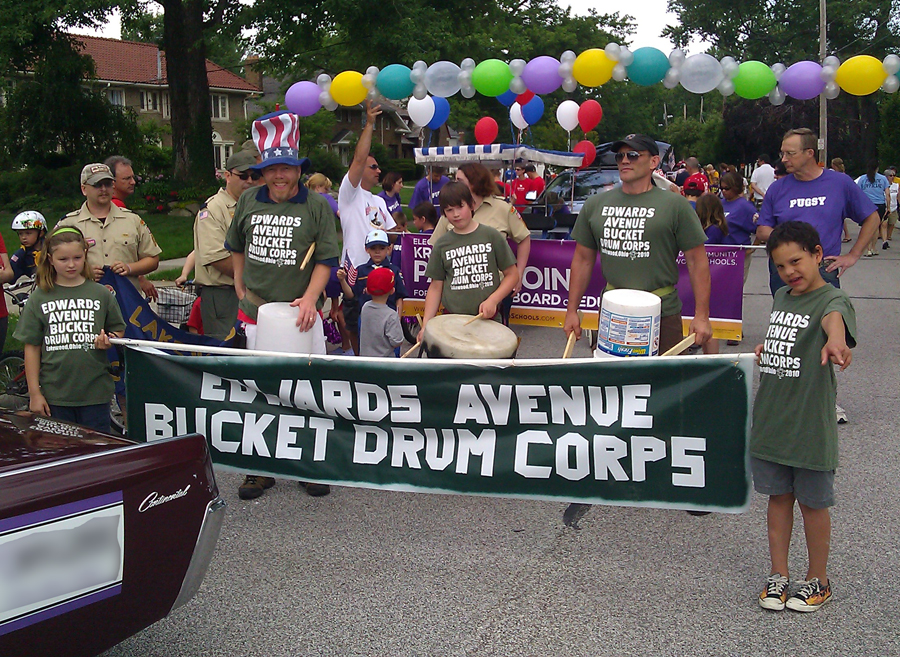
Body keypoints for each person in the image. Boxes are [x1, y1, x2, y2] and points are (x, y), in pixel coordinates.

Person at [225, 109, 341, 500]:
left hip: (301, 317)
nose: (280, 176)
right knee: (257, 392)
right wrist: (240, 285)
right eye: (272, 168)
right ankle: (260, 468)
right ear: (263, 170)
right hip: (256, 312)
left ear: (298, 169)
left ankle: (308, 465)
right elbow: (236, 246)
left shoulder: (317, 206)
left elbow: (326, 259)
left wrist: (310, 298)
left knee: (308, 392)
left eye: (287, 168)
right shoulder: (247, 202)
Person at [751, 221, 856, 613]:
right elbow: (790, 337)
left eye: (796, 261)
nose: (789, 272)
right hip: (772, 421)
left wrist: (835, 340)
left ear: (817, 254)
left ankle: (818, 580)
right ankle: (779, 576)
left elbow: (833, 322)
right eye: (780, 266)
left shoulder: (833, 299)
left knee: (813, 504)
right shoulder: (783, 297)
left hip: (809, 425)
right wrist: (770, 346)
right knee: (778, 499)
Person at [564, 133, 713, 354]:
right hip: (613, 312)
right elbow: (583, 261)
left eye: (633, 155)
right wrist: (571, 310)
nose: (624, 160)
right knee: (613, 384)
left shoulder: (675, 205)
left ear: (654, 161)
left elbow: (697, 262)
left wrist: (702, 316)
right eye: (620, 156)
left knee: (665, 385)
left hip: (662, 310)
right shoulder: (595, 204)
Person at [14, 226, 126, 433]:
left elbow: (118, 330)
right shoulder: (40, 297)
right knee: (61, 454)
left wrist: (109, 339)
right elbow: (31, 346)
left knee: (96, 452)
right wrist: (34, 394)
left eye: (77, 257)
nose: (71, 264)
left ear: (85, 255)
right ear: (50, 259)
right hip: (55, 394)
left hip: (95, 392)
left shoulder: (101, 293)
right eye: (63, 259)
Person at [757, 128, 880, 296]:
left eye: (790, 153)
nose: (784, 159)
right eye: (782, 153)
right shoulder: (777, 188)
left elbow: (872, 218)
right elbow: (763, 230)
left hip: (823, 269)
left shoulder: (839, 183)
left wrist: (853, 255)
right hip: (785, 271)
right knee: (789, 321)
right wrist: (793, 245)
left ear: (809, 153)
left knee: (827, 319)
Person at [430, 162, 531, 325]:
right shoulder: (449, 213)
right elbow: (437, 252)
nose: (456, 214)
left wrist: (518, 274)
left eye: (460, 180)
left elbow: (524, 238)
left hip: (496, 290)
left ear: (475, 181)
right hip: (457, 300)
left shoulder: (503, 208)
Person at [337, 101, 398, 357]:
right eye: (373, 167)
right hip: (356, 276)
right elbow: (360, 157)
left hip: (383, 277)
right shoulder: (349, 195)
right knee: (356, 325)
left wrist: (390, 247)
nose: (378, 170)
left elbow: (392, 232)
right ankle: (359, 361)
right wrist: (370, 123)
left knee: (385, 331)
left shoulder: (380, 201)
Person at [419, 182, 518, 336]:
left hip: (489, 321)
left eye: (460, 207)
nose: (456, 214)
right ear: (444, 214)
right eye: (449, 210)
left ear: (472, 205)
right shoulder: (442, 244)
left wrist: (493, 299)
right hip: (452, 322)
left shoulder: (491, 236)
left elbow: (512, 274)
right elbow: (435, 287)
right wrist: (426, 325)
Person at [57, 163, 162, 294]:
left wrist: (129, 268)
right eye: (97, 185)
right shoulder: (68, 224)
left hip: (126, 302)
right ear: (84, 189)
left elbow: (152, 259)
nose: (103, 189)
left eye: (107, 184)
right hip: (83, 302)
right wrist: (83, 272)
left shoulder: (132, 220)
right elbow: (51, 264)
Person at [192, 150, 257, 340]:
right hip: (223, 294)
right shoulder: (212, 209)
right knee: (225, 351)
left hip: (253, 291)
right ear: (227, 176)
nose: (250, 181)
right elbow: (217, 258)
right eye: (243, 176)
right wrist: (257, 276)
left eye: (255, 176)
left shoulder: (256, 206)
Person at [337, 229, 406, 318]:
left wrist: (398, 318)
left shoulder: (394, 270)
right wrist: (342, 280)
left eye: (381, 248)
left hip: (389, 316)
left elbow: (399, 297)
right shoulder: (361, 270)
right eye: (373, 248)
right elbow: (351, 295)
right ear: (366, 249)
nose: (377, 252)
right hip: (366, 317)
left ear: (388, 249)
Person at [358, 267, 403, 358]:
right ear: (392, 291)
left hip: (365, 361)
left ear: (367, 290)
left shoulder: (365, 307)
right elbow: (397, 341)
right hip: (385, 364)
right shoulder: (391, 315)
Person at [853, 160, 890, 256]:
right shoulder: (883, 179)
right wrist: (888, 207)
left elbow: (858, 193)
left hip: (867, 204)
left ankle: (868, 249)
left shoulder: (863, 178)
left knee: (867, 226)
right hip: (880, 205)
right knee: (876, 226)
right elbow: (887, 194)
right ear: (877, 168)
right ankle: (873, 247)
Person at [7, 211, 47, 282]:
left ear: (41, 233)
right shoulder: (21, 254)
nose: (23, 237)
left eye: (28, 233)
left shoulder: (52, 248)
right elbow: (10, 275)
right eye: (20, 234)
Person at [830, 158, 852, 243]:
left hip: (836, 196)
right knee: (841, 216)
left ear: (833, 165)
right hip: (842, 196)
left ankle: (846, 234)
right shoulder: (843, 175)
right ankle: (846, 234)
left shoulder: (833, 174)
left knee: (839, 216)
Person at [885, 166, 899, 244]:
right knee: (884, 223)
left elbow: (898, 196)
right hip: (885, 206)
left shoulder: (896, 185)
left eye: (894, 175)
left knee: (892, 223)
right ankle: (883, 235)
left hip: (894, 206)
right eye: (890, 176)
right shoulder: (884, 185)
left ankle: (888, 235)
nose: (892, 177)